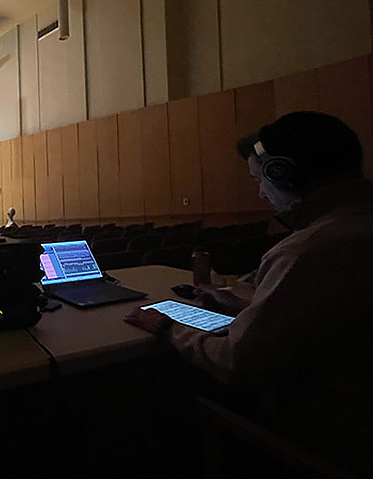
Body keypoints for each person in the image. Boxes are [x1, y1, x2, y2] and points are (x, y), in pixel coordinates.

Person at [124, 111, 373, 474]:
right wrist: (247, 306)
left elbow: (236, 362)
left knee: (157, 383)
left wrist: (167, 327)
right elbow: (330, 319)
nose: (260, 192)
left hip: (336, 436)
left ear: (281, 173)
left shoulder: (308, 250)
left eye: (260, 179)